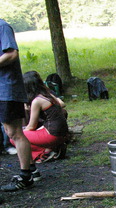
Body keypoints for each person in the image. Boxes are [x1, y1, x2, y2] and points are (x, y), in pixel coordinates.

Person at [0, 19, 40, 192]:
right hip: (3, 90)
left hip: (7, 89)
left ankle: (26, 177)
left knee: (15, 133)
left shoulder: (2, 26)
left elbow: (12, 54)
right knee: (12, 132)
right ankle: (32, 170)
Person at [19, 71, 68, 163]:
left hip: (52, 135)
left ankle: (46, 151)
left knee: (16, 138)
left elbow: (31, 126)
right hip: (62, 133)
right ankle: (53, 148)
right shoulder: (47, 94)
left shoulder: (37, 101)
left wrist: (20, 131)